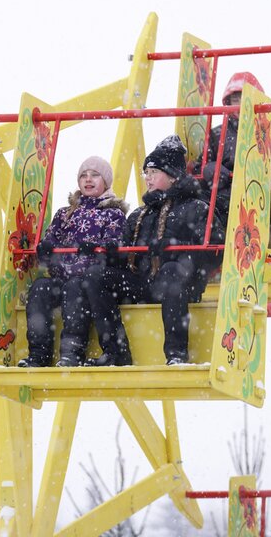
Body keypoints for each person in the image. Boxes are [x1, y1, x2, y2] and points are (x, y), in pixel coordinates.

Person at [82, 135, 223, 366]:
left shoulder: (198, 208)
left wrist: (175, 250)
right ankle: (116, 353)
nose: (147, 178)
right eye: (145, 172)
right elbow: (125, 253)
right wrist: (106, 252)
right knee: (96, 276)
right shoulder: (140, 214)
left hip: (180, 285)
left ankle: (176, 353)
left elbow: (214, 252)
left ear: (172, 176)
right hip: (145, 282)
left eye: (153, 172)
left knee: (171, 271)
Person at [17, 156, 128, 368]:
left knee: (75, 289)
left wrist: (96, 248)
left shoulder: (112, 214)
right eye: (84, 175)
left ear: (105, 181)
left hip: (86, 280)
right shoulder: (65, 214)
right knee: (40, 288)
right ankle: (39, 353)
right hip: (62, 275)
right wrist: (46, 248)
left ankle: (71, 353)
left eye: (95, 175)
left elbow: (115, 245)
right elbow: (51, 238)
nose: (88, 179)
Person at [197, 71, 271, 238]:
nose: (241, 105)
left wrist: (252, 171)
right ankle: (211, 255)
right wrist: (211, 169)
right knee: (199, 202)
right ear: (228, 103)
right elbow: (201, 165)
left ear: (258, 100)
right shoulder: (218, 134)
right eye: (236, 99)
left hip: (267, 193)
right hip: (231, 195)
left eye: (246, 98)